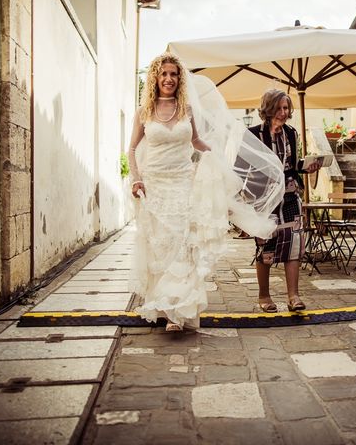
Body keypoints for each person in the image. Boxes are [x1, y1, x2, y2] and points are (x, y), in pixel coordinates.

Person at [127, 53, 284, 331]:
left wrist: (221, 160)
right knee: (160, 246)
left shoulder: (186, 109)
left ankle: (177, 314)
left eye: (174, 74)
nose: (169, 79)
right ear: (155, 77)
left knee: (183, 245)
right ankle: (164, 305)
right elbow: (132, 149)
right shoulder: (145, 112)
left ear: (179, 78)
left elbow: (197, 141)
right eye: (164, 74)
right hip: (155, 187)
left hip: (184, 184)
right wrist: (136, 180)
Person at [248, 89, 320, 313]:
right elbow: (244, 168)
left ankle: (293, 296)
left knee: (294, 244)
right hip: (264, 199)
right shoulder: (252, 134)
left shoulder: (291, 133)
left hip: (290, 196)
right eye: (278, 108)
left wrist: (306, 167)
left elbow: (292, 164)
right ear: (268, 109)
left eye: (286, 108)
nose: (283, 112)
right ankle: (264, 296)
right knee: (265, 247)